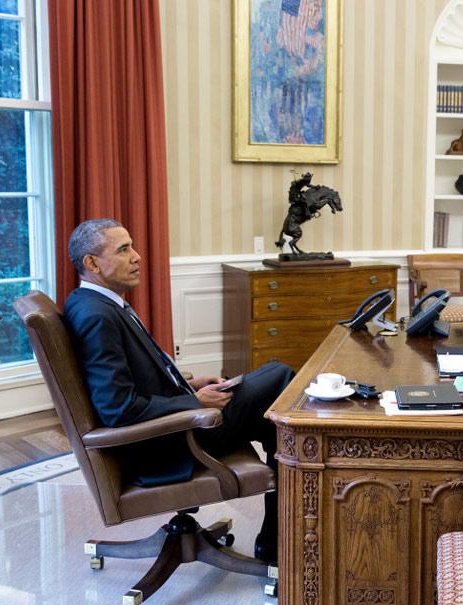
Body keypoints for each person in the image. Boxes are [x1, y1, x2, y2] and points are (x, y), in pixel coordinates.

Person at [63, 218, 294, 561]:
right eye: (124, 250)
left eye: (133, 247)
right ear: (92, 263)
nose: (137, 256)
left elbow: (135, 381)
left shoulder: (99, 304)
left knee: (274, 418)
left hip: (177, 424)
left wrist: (188, 384)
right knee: (279, 377)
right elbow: (118, 409)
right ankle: (277, 540)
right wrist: (194, 402)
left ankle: (277, 538)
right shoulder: (97, 316)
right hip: (172, 442)